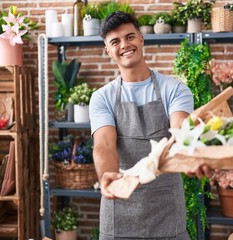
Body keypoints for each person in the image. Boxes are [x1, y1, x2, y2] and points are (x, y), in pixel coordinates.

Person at [89, 11, 211, 239]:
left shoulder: (174, 89)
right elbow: (104, 144)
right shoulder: (102, 97)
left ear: (141, 39)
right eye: (115, 42)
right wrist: (107, 175)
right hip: (119, 208)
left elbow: (181, 129)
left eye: (130, 37)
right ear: (108, 50)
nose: (124, 45)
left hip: (166, 209)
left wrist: (190, 153)